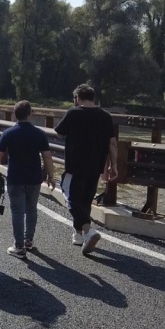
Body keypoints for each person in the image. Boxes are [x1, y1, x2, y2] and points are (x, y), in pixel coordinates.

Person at [54, 84, 118, 254]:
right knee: (86, 199)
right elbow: (112, 142)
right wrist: (114, 165)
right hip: (96, 166)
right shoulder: (105, 116)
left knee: (70, 197)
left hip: (75, 165)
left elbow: (60, 133)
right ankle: (79, 234)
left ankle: (88, 230)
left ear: (78, 98)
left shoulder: (73, 113)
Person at [0, 100, 55, 259]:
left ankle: (19, 246)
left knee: (18, 211)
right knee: (31, 209)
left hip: (16, 178)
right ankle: (29, 240)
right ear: (30, 114)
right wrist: (51, 176)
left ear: (15, 115)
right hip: (34, 178)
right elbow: (47, 156)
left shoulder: (8, 133)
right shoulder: (39, 133)